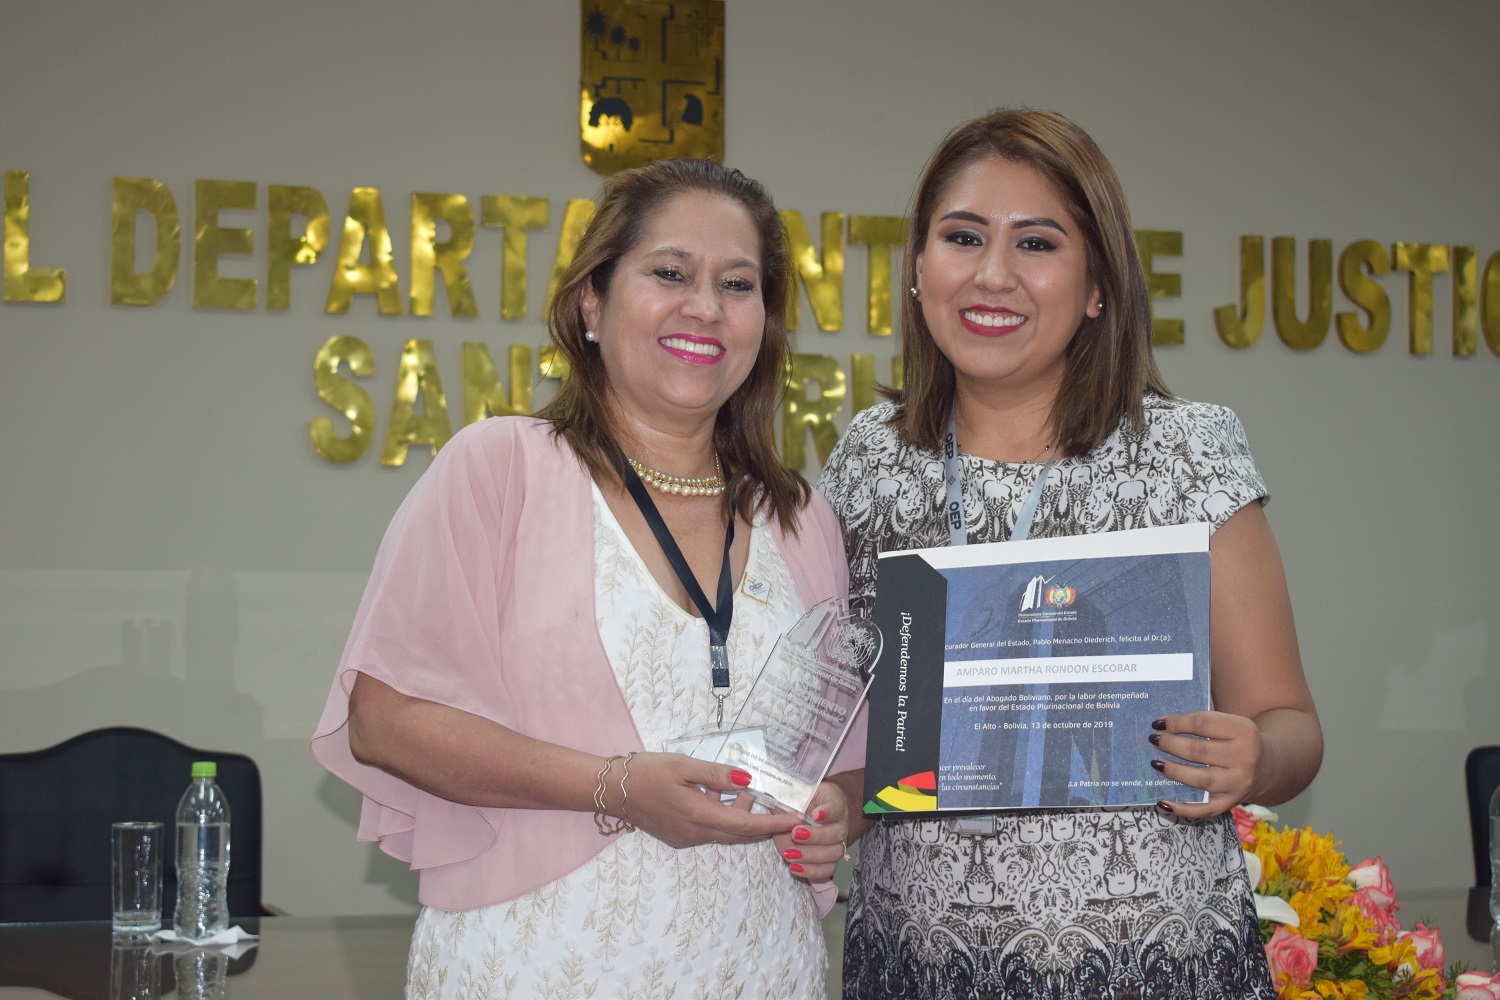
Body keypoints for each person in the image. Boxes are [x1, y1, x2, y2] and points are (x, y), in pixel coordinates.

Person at [312, 158, 862, 999]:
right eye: (670, 273)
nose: (705, 307)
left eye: (738, 284)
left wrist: (835, 814)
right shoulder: (500, 469)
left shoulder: (800, 516)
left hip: (760, 968)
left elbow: (846, 761)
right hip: (534, 966)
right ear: (591, 303)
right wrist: (617, 786)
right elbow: (384, 722)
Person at [818, 110, 1322, 999]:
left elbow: (1290, 724)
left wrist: (1254, 757)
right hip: (918, 965)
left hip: (1156, 966)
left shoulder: (1186, 452)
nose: (993, 273)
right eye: (962, 236)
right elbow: (855, 728)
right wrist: (832, 803)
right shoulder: (870, 459)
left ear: (1097, 286)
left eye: (1037, 243)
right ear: (919, 267)